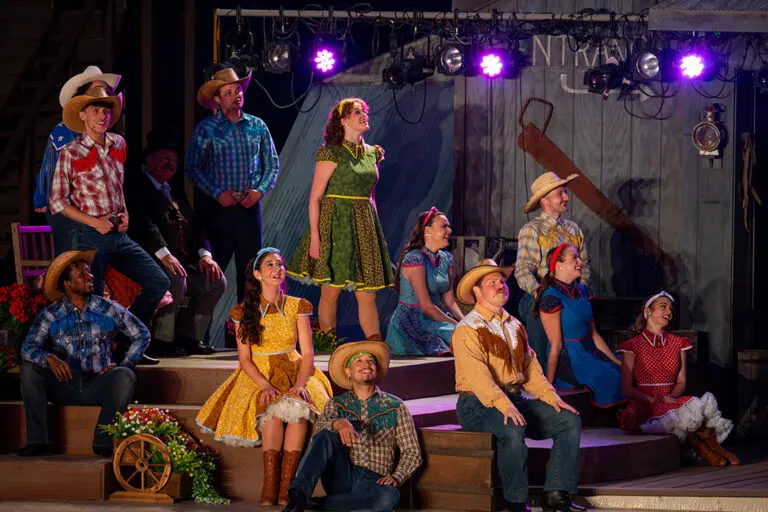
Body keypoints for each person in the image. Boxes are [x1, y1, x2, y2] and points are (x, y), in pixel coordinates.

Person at [196, 248, 332, 506]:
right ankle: (270, 484)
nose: (277, 269)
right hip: (259, 372)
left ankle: (288, 486)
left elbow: (307, 353)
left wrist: (301, 384)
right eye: (270, 265)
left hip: (293, 367)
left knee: (298, 411)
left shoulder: (296, 306)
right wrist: (265, 385)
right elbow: (245, 359)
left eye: (280, 264)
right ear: (258, 274)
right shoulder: (244, 311)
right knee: (272, 411)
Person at [452, 259, 584, 512]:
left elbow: (531, 369)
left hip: (513, 399)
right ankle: (515, 502)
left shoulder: (514, 325)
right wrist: (504, 406)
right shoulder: (467, 329)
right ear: (477, 292)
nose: (500, 285)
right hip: (477, 403)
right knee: (512, 429)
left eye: (502, 281)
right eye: (492, 283)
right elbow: (479, 378)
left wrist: (552, 398)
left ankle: (556, 495)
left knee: (568, 421)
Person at [48, 86, 170, 355]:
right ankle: (98, 355)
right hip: (90, 235)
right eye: (95, 110)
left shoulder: (119, 144)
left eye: (106, 110)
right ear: (83, 114)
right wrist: (95, 222)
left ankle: (125, 342)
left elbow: (118, 185)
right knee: (94, 297)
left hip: (118, 233)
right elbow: (58, 202)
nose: (102, 116)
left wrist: (125, 213)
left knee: (158, 282)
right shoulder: (71, 152)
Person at [17, 249, 150, 458]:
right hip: (64, 383)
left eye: (89, 273)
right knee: (28, 369)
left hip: (97, 382)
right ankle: (37, 441)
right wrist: (49, 358)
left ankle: (104, 440)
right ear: (67, 285)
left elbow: (141, 334)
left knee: (126, 375)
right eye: (82, 274)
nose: (91, 277)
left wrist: (125, 363)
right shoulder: (51, 314)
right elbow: (27, 348)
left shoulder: (106, 308)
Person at [288, 98, 394, 340]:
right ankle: (328, 345)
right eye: (357, 112)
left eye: (365, 111)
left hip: (364, 223)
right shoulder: (331, 152)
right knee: (331, 290)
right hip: (336, 223)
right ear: (343, 120)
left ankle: (374, 346)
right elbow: (315, 198)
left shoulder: (372, 154)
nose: (364, 115)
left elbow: (371, 198)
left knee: (368, 293)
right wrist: (316, 238)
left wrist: (376, 236)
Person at [281, 341, 422, 512]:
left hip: (375, 480)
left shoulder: (395, 406)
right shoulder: (336, 404)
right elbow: (319, 437)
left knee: (389, 497)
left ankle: (324, 505)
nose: (366, 365)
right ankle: (298, 496)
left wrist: (397, 477)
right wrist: (337, 423)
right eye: (359, 361)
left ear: (376, 369)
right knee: (325, 435)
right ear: (348, 372)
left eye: (370, 361)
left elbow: (412, 451)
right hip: (341, 476)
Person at [125, 127, 226, 357]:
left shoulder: (176, 191)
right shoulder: (137, 187)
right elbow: (143, 224)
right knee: (175, 278)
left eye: (173, 159)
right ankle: (161, 340)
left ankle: (190, 337)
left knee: (216, 281)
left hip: (182, 262)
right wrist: (164, 254)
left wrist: (205, 256)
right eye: (163, 157)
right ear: (148, 159)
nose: (169, 162)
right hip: (150, 263)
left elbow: (196, 224)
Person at [186, 67, 280, 303]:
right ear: (218, 99)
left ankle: (246, 333)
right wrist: (218, 194)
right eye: (229, 92)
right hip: (218, 211)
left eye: (238, 90)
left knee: (251, 275)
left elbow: (272, 166)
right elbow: (192, 167)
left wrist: (259, 191)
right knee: (213, 271)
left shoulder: (257, 126)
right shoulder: (207, 129)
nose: (236, 95)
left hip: (249, 209)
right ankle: (200, 334)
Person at [617, 291, 738, 466]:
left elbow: (681, 382)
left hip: (670, 398)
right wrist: (651, 399)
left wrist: (672, 396)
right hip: (645, 404)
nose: (669, 311)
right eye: (663, 307)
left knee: (697, 407)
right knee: (677, 416)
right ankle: (702, 448)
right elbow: (626, 389)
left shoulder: (678, 343)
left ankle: (715, 447)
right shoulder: (632, 346)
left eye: (670, 308)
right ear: (648, 311)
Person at [33, 65, 121, 254]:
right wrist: (41, 196)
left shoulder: (102, 134)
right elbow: (50, 167)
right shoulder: (65, 131)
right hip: (71, 209)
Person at [515, 172, 591, 369]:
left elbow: (584, 267)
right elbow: (523, 269)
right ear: (545, 200)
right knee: (541, 317)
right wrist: (541, 293)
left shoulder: (573, 229)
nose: (566, 197)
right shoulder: (533, 230)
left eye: (565, 192)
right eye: (560, 193)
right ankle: (539, 381)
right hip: (540, 295)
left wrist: (580, 292)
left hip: (570, 295)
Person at [536, 243, 625, 408]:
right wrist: (548, 385)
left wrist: (617, 361)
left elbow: (594, 335)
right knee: (610, 377)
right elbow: (555, 345)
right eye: (574, 258)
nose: (580, 262)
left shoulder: (583, 291)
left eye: (579, 257)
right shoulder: (551, 298)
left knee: (623, 369)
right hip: (569, 357)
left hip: (588, 349)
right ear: (558, 265)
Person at [385, 207, 463, 355]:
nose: (450, 230)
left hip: (436, 319)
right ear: (427, 231)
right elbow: (427, 307)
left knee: (470, 335)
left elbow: (450, 302)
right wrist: (459, 326)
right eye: (444, 226)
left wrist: (466, 323)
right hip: (413, 322)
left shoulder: (446, 258)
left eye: (449, 226)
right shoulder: (415, 258)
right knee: (462, 337)